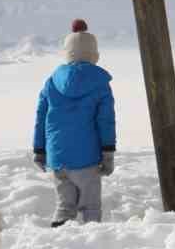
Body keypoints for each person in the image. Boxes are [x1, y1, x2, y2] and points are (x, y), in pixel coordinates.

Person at [33, 19, 117, 226]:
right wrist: (108, 153)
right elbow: (105, 121)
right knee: (91, 208)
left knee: (65, 206)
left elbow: (41, 117)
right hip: (86, 160)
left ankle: (60, 243)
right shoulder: (100, 83)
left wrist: (39, 150)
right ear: (94, 54)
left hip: (57, 158)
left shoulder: (51, 81)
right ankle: (92, 246)